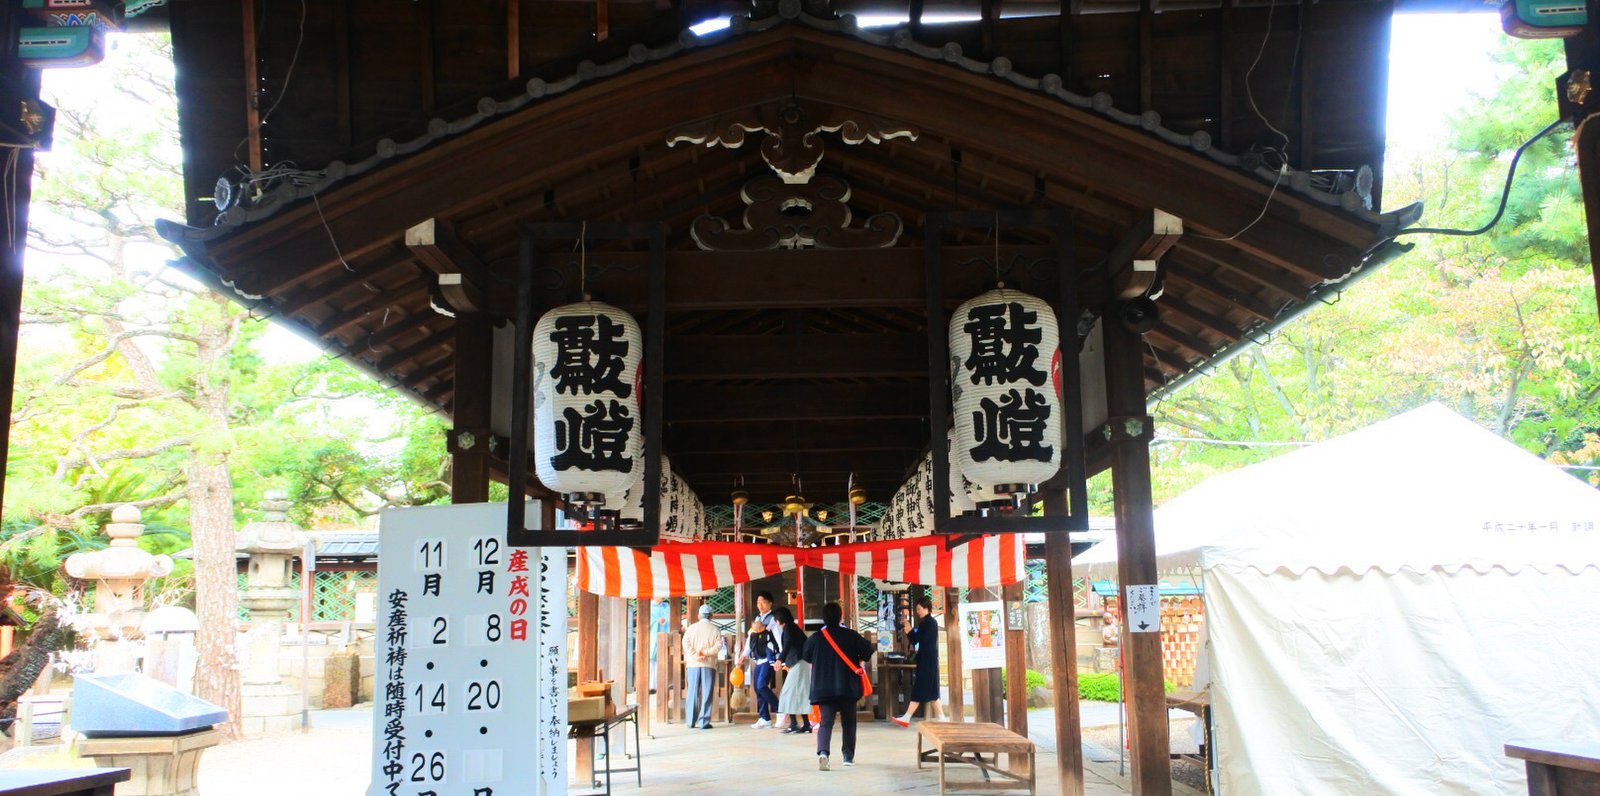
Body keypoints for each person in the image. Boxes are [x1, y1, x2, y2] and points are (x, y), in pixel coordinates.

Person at [801, 602, 873, 770]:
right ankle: (848, 756)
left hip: (824, 688)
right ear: (841, 616)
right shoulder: (851, 635)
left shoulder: (816, 638)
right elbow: (867, 653)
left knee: (825, 722)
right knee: (849, 723)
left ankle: (823, 753)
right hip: (847, 687)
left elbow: (806, 656)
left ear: (823, 618)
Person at [892, 595, 944, 727]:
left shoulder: (927, 623)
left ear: (927, 608)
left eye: (919, 609)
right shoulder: (930, 623)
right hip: (929, 660)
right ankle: (943, 720)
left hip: (926, 660)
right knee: (933, 693)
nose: (918, 611)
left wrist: (909, 631)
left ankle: (907, 717)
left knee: (919, 690)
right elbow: (918, 640)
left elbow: (916, 640)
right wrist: (910, 631)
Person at [771, 605, 813, 734]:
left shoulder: (788, 628)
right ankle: (805, 724)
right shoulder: (793, 627)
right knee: (800, 693)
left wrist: (780, 659)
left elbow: (788, 644)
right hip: (801, 662)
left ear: (779, 619)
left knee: (788, 692)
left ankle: (794, 723)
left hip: (798, 663)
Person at [682, 603, 721, 729]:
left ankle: (690, 721)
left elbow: (685, 643)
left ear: (699, 615)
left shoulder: (691, 628)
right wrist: (705, 653)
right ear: (711, 616)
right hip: (708, 664)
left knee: (692, 692)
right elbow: (718, 646)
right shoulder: (715, 630)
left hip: (693, 664)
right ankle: (703, 721)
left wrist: (695, 655)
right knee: (706, 692)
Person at [738, 612, 779, 728]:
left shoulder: (768, 635)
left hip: (766, 662)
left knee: (762, 686)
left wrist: (777, 660)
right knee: (757, 689)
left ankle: (779, 709)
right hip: (757, 663)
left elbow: (772, 649)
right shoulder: (752, 635)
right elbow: (748, 647)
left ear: (762, 628)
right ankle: (764, 717)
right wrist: (743, 656)